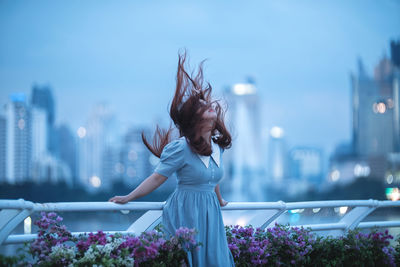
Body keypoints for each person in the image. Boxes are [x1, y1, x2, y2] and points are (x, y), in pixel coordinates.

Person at [109, 52, 235, 267]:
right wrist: (129, 197)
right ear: (195, 119)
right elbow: (157, 179)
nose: (210, 105)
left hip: (210, 211)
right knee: (191, 259)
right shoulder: (181, 148)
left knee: (215, 258)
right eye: (203, 107)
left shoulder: (217, 147)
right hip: (186, 210)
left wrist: (220, 200)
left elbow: (211, 179)